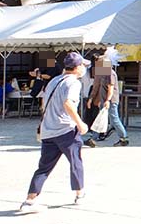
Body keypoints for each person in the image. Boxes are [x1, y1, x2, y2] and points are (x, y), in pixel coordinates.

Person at [20, 52, 91, 212]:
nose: (84, 68)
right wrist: (80, 123)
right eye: (83, 66)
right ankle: (80, 193)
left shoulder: (54, 80)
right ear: (78, 67)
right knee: (75, 161)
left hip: (48, 130)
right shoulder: (73, 83)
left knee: (44, 167)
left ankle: (30, 200)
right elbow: (68, 104)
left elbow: (44, 103)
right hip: (65, 129)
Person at [84, 56, 128, 148]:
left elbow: (110, 89)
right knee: (100, 118)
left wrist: (107, 100)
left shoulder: (110, 73)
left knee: (114, 119)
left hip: (111, 100)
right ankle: (93, 138)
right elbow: (96, 86)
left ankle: (124, 138)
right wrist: (91, 99)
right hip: (104, 100)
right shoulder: (101, 73)